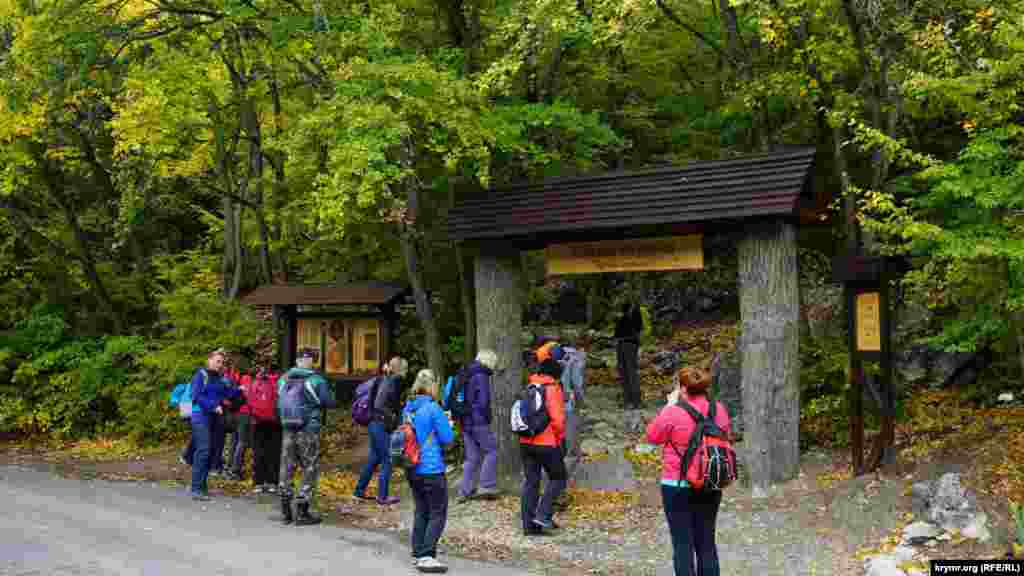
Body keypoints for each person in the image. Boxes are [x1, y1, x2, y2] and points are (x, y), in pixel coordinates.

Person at [645, 367, 732, 576]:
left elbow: (652, 436)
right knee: (706, 543)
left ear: (683, 388)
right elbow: (726, 435)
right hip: (710, 482)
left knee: (682, 545)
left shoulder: (673, 411)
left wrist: (669, 404)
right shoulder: (718, 409)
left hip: (676, 485)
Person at [275, 349, 336, 525]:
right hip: (308, 428)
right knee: (310, 466)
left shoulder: (283, 379)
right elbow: (328, 402)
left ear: (296, 360)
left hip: (288, 427)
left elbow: (278, 401)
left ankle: (285, 510)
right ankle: (302, 511)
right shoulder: (316, 380)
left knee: (286, 465)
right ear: (310, 361)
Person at [403, 370, 455, 573]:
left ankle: (418, 552)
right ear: (433, 386)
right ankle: (427, 555)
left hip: (412, 465)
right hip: (431, 466)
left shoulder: (408, 407)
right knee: (437, 512)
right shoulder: (433, 408)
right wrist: (448, 424)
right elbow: (448, 438)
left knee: (421, 509)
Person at [520, 352, 568, 536]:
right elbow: (558, 420)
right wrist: (560, 438)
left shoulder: (530, 384)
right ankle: (543, 515)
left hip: (525, 441)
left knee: (531, 481)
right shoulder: (552, 388)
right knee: (558, 478)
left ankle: (528, 525)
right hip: (546, 442)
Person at [189, 348, 243, 501]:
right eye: (217, 361)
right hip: (200, 415)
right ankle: (196, 488)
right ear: (209, 360)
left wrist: (240, 390)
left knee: (211, 451)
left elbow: (229, 394)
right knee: (203, 449)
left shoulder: (220, 378)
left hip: (215, 418)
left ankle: (202, 486)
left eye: (222, 362)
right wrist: (213, 406)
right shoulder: (201, 375)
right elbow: (196, 396)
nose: (220, 365)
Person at [354, 356, 407, 505]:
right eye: (405, 369)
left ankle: (359, 492)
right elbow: (380, 404)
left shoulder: (382, 379)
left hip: (373, 422)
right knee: (387, 460)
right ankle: (383, 497)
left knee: (374, 458)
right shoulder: (392, 381)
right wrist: (393, 419)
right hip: (380, 424)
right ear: (401, 369)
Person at [457, 349, 500, 502]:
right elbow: (483, 401)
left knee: (472, 457)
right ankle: (486, 485)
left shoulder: (467, 372)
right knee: (492, 450)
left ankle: (464, 490)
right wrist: (487, 417)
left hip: (465, 420)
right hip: (478, 421)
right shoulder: (481, 375)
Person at [250, 367, 282, 493]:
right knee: (274, 452)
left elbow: (249, 401)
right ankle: (272, 482)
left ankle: (258, 482)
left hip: (257, 421)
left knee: (258, 451)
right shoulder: (279, 382)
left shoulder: (254, 382)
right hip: (275, 422)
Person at [615, 303, 643, 409]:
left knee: (629, 373)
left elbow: (638, 328)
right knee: (626, 372)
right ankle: (630, 400)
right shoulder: (625, 317)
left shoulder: (634, 313)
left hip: (628, 344)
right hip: (625, 344)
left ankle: (633, 401)